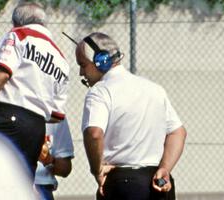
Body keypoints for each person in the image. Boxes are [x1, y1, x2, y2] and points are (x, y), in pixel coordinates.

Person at [75, 32, 187, 200]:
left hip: (123, 183)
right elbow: (178, 132)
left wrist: (96, 170)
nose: (81, 72)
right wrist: (165, 168)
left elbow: (94, 133)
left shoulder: (100, 91)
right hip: (158, 183)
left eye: (83, 65)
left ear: (101, 61)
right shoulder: (155, 89)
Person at [0, 2, 69, 180]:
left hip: (8, 116)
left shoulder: (19, 34)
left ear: (17, 22)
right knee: (19, 185)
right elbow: (56, 114)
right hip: (37, 128)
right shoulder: (61, 58)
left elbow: (2, 75)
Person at [35, 118, 74, 200]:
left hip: (41, 187)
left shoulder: (55, 113)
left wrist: (48, 159)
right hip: (7, 186)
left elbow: (65, 169)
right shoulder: (4, 108)